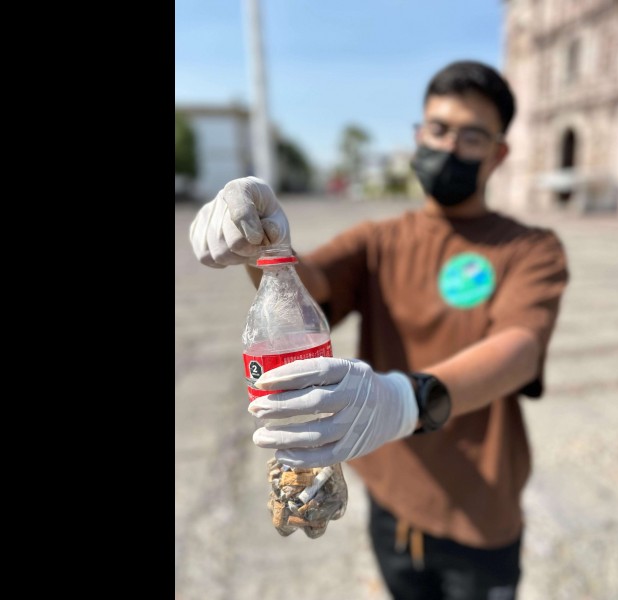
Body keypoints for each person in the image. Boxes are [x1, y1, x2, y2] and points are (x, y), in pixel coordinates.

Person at [189, 60, 569, 600]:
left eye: (471, 136)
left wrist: (406, 399)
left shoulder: (529, 249)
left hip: (478, 511)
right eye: (438, 129)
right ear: (418, 135)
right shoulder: (380, 241)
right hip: (390, 498)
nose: (449, 146)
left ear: (499, 153)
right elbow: (311, 287)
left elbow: (521, 348)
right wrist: (263, 246)